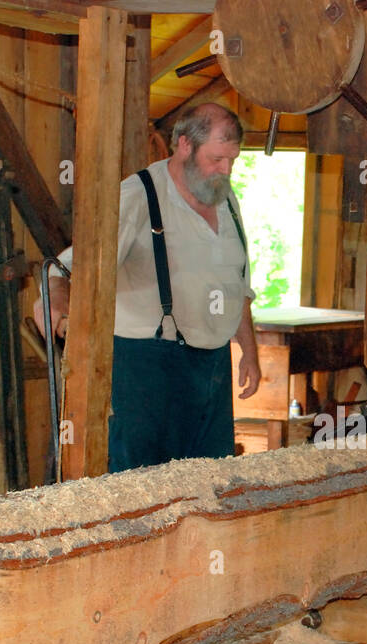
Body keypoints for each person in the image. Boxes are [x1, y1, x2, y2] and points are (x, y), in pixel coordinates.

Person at [33, 102, 261, 471]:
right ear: (184, 145)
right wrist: (57, 302)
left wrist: (248, 351)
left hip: (211, 371)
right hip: (145, 369)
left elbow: (236, 282)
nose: (226, 170)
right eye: (217, 159)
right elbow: (65, 267)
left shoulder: (223, 197)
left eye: (232, 160)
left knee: (210, 485)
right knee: (139, 491)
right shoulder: (138, 197)